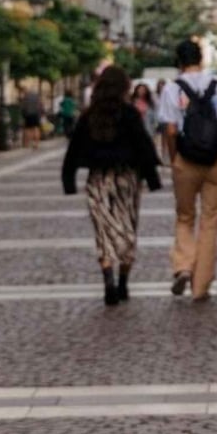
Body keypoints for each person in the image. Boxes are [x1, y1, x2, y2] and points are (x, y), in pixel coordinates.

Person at [62, 66, 162, 305]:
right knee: (128, 228)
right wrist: (152, 178)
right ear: (124, 88)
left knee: (103, 232)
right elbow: (143, 146)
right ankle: (123, 284)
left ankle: (108, 281)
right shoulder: (129, 114)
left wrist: (68, 180)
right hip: (126, 179)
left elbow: (73, 149)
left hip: (98, 179)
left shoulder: (89, 115)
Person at [157, 40, 217, 301]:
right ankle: (201, 285)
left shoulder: (171, 88)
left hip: (185, 161)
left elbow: (169, 130)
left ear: (178, 62)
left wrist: (174, 158)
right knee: (210, 220)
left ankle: (183, 266)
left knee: (184, 216)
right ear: (201, 59)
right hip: (214, 160)